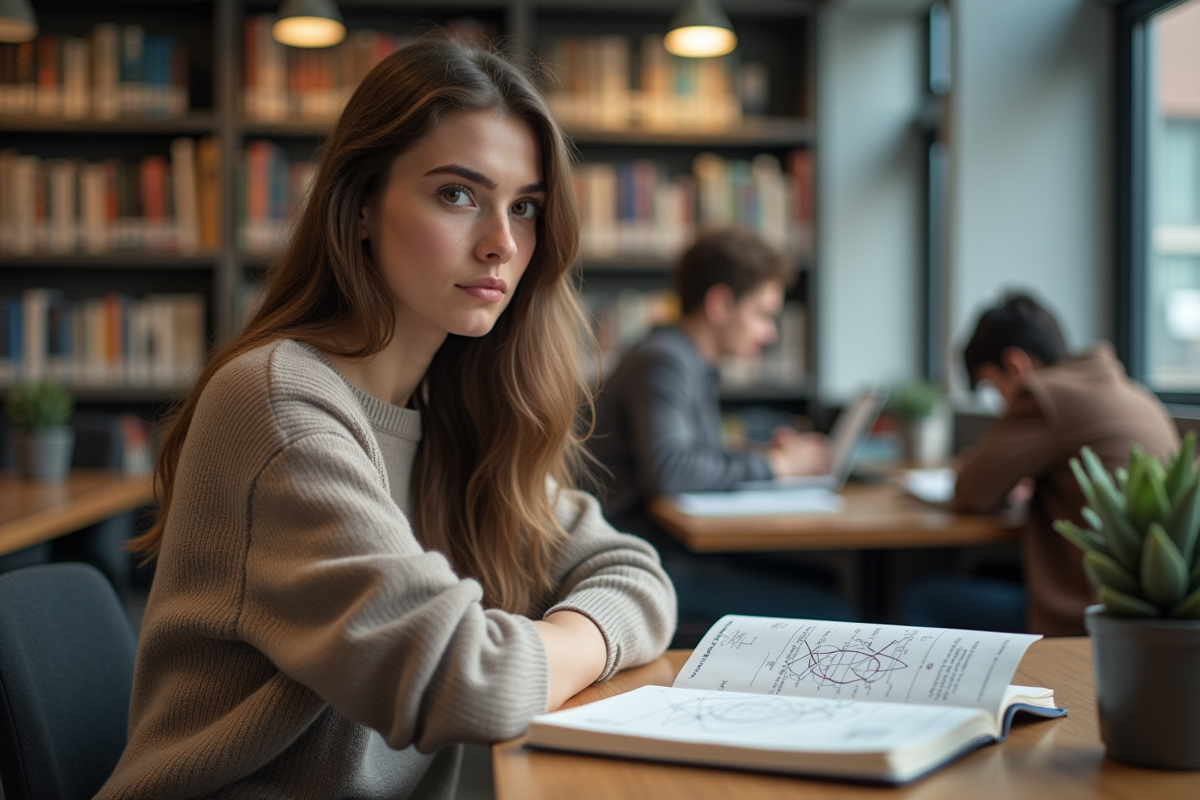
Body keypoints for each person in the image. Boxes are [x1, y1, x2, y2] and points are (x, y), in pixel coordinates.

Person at [96, 34, 675, 800]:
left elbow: (635, 573)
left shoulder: (451, 414)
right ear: (363, 205)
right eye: (458, 194)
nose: (503, 243)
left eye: (526, 208)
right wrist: (564, 641)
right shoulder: (278, 403)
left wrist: (544, 646)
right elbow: (472, 680)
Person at [590, 227, 853, 642]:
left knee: (829, 579)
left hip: (668, 550)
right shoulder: (664, 362)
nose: (769, 333)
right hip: (644, 561)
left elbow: (686, 455)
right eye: (763, 314)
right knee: (835, 608)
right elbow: (672, 470)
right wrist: (776, 464)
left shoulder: (685, 360)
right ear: (720, 304)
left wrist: (761, 454)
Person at [903, 292, 1179, 636]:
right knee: (985, 572)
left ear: (1016, 365)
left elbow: (971, 494)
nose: (1001, 403)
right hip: (1151, 614)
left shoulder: (1044, 394)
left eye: (994, 387)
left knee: (921, 598)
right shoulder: (1134, 394)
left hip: (1088, 616)